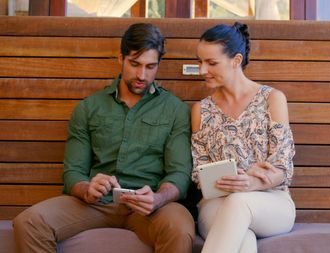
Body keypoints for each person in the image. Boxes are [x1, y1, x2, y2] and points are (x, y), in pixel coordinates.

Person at [13, 23, 195, 253]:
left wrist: (158, 198)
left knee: (180, 229)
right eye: (135, 64)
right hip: (96, 204)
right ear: (120, 58)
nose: (142, 75)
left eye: (150, 67)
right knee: (28, 223)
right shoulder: (89, 108)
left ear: (159, 65)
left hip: (151, 206)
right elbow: (73, 173)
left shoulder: (175, 110)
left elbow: (179, 173)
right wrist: (87, 189)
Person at [191, 22, 296, 253]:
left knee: (239, 203)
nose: (201, 71)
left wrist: (252, 183)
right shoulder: (202, 110)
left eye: (211, 63)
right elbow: (199, 172)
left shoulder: (272, 99)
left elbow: (282, 167)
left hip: (272, 202)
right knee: (243, 238)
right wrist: (228, 180)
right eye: (200, 62)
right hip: (215, 204)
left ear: (236, 61)